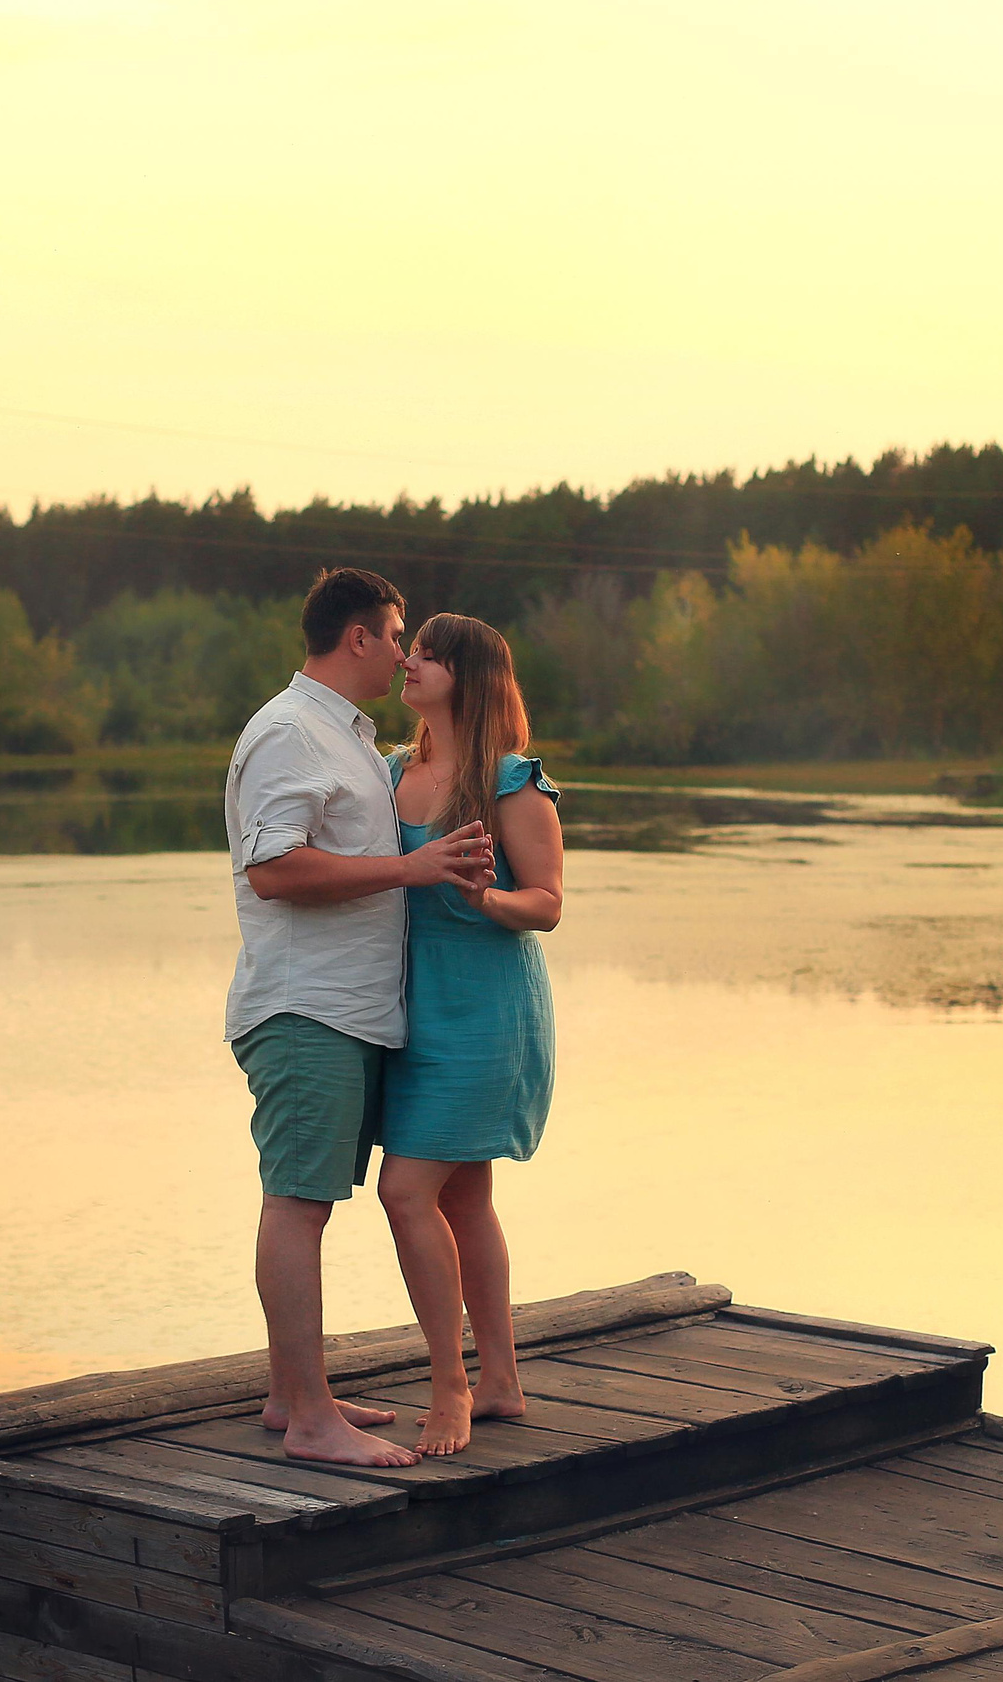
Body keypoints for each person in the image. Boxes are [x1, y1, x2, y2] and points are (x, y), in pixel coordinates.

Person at [224, 568, 496, 1467]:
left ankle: (291, 1395)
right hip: (307, 1009)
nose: (404, 647)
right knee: (297, 1205)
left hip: (348, 1013)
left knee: (308, 1204)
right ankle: (310, 1422)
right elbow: (274, 868)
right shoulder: (289, 733)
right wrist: (414, 871)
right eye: (397, 631)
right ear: (359, 638)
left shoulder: (343, 738)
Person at [375, 613, 564, 1456]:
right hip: (413, 1015)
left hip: (488, 1016)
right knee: (465, 1197)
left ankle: (451, 1388)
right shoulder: (391, 772)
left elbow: (549, 904)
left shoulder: (510, 781)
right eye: (409, 648)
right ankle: (502, 1380)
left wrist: (488, 899)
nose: (408, 660)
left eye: (427, 654)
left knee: (404, 1192)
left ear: (470, 676)